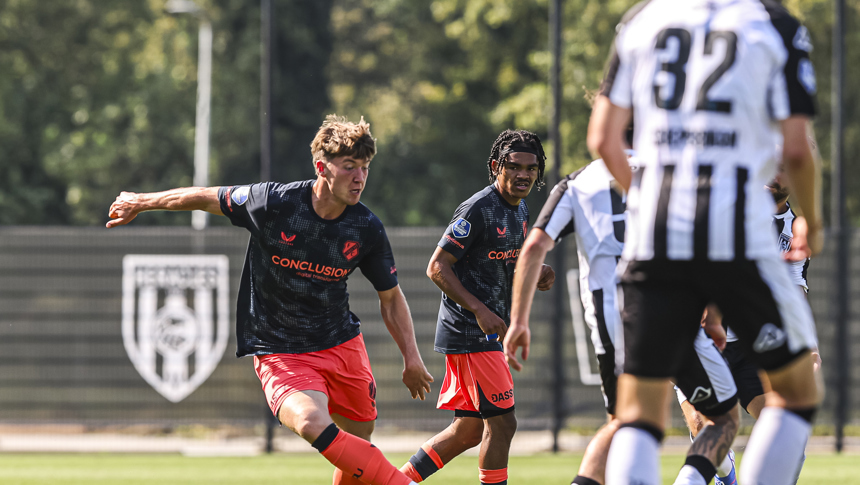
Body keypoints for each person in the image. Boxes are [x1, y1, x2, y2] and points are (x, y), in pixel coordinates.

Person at [107, 115, 434, 485]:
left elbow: (390, 299)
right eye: (349, 167)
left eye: (364, 168)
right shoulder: (273, 202)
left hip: (341, 343)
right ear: (321, 168)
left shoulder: (366, 228)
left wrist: (411, 357)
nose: (359, 178)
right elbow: (202, 196)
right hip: (280, 349)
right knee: (312, 424)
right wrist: (142, 201)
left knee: (358, 441)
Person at [588, 1, 823, 484]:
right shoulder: (774, 24)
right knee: (797, 393)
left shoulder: (642, 20)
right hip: (735, 230)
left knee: (639, 414)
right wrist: (813, 221)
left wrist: (652, 205)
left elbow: (603, 139)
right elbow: (797, 149)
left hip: (655, 238)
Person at [504, 148, 739, 485]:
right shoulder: (676, 168)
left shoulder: (579, 183)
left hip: (612, 321)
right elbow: (714, 242)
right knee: (724, 420)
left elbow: (533, 247)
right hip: (672, 315)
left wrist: (519, 321)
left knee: (622, 422)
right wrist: (714, 313)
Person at [399, 130, 555, 485]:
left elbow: (504, 264)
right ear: (495, 166)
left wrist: (535, 273)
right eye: (514, 166)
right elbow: (437, 266)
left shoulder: (519, 209)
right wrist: (480, 310)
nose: (523, 175)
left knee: (468, 431)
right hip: (471, 331)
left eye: (531, 169)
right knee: (503, 423)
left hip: (486, 333)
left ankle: (394, 482)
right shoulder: (479, 208)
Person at [676, 158, 822, 485]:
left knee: (788, 427)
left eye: (787, 167)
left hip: (748, 349)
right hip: (699, 339)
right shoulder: (725, 205)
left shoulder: (794, 230)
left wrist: (809, 347)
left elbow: (795, 293)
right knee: (704, 428)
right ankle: (727, 479)